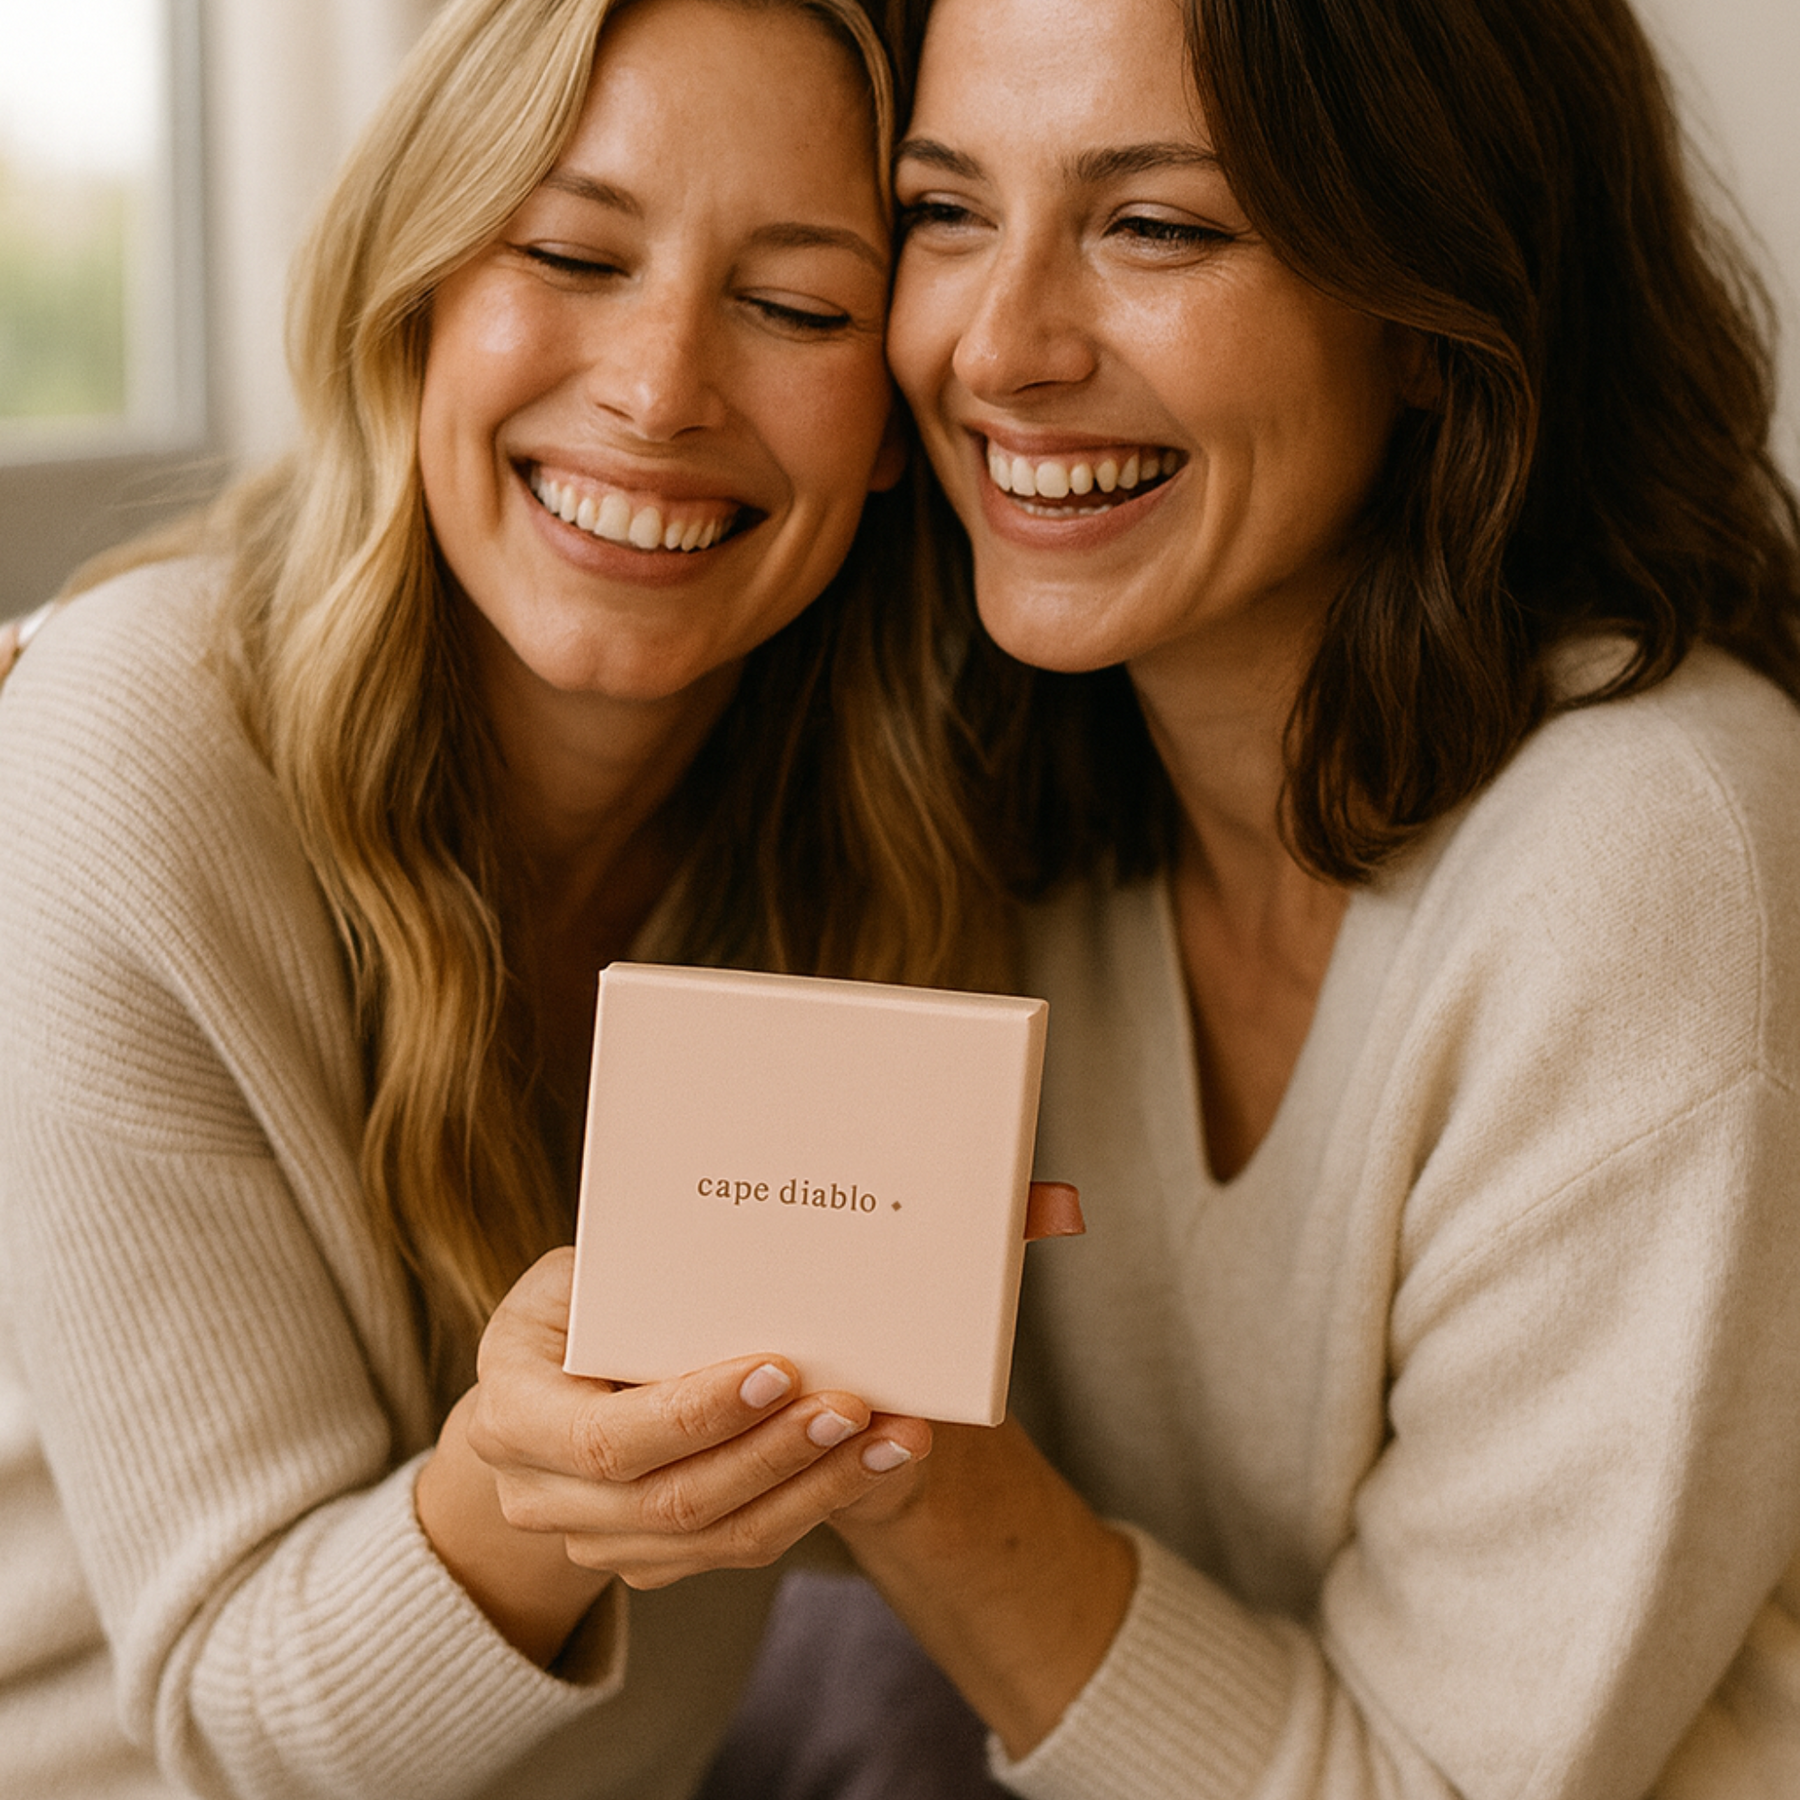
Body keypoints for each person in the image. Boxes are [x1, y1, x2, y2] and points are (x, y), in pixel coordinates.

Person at [753, 0, 1800, 1795]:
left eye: (1157, 225)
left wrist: (883, 1448)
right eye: (944, 211)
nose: (998, 349)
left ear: (1428, 301)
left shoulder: (1649, 852)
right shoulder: (1005, 800)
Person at [0, 0, 1029, 1793]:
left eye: (798, 305)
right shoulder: (124, 746)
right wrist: (550, 1475)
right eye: (568, 250)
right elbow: (239, 1725)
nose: (656, 391)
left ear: (895, 415)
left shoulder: (910, 841)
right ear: (417, 290)